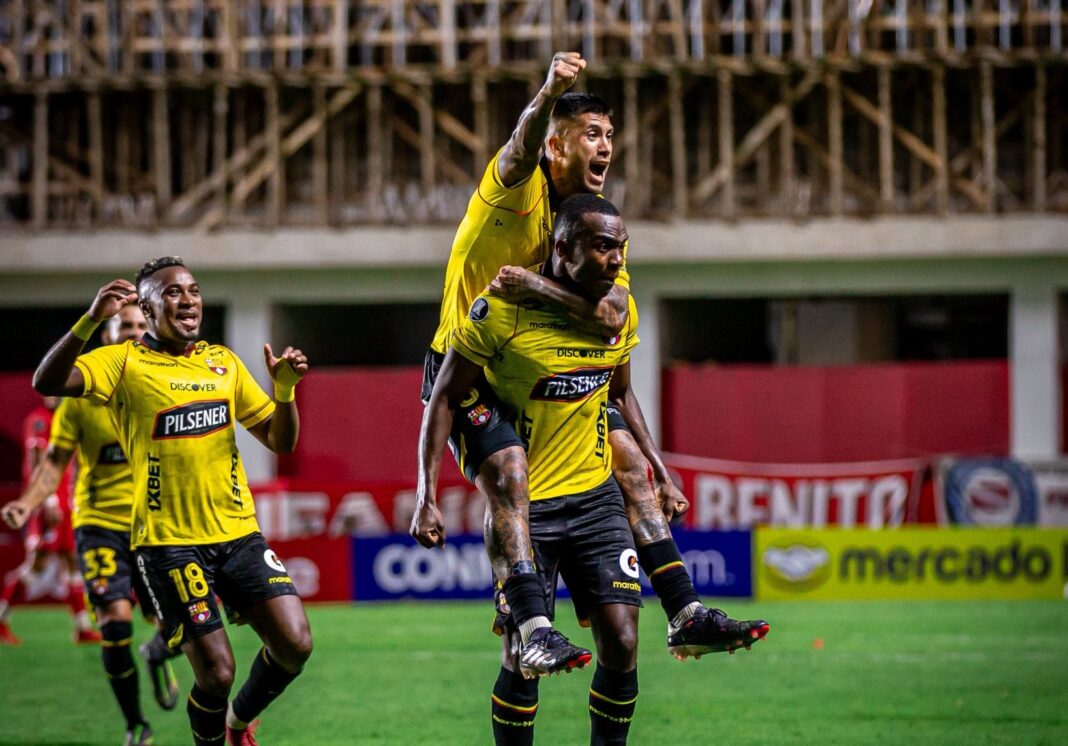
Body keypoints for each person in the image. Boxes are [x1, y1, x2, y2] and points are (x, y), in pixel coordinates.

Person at [413, 51, 768, 661]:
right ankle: (529, 621)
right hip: (471, 367)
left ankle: (684, 610)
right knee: (510, 472)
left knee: (629, 461)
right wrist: (549, 91)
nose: (606, 147)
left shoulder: (596, 227)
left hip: (547, 359)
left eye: (610, 136)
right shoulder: (516, 189)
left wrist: (533, 286)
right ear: (556, 144)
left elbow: (610, 316)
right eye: (592, 134)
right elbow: (522, 143)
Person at [31, 257, 313, 746]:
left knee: (295, 644)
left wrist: (284, 391)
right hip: (169, 545)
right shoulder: (122, 361)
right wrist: (91, 319)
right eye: (173, 293)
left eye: (193, 290)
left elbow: (279, 441)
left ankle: (237, 723)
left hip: (238, 534)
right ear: (146, 308)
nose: (188, 301)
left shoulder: (222, 361)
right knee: (217, 674)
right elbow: (47, 381)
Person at [421, 195, 656, 744]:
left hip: (595, 499)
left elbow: (621, 393)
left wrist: (658, 470)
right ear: (563, 248)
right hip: (529, 510)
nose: (617, 260)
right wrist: (425, 494)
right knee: (522, 655)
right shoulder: (500, 309)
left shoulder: (618, 311)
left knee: (623, 640)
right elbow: (443, 396)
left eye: (622, 248)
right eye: (604, 247)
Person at [3, 304, 180, 746]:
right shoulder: (80, 399)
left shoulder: (169, 387)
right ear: (108, 336)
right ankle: (136, 724)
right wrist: (27, 503)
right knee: (115, 625)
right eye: (125, 326)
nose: (134, 333)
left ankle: (158, 653)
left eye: (141, 326)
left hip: (155, 525)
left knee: (180, 628)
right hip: (99, 523)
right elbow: (54, 462)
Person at [0, 395, 101, 646]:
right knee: (38, 563)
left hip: (68, 505)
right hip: (47, 505)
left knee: (73, 561)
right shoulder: (39, 420)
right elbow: (39, 464)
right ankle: (1, 618)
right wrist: (49, 502)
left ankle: (82, 628)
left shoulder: (67, 417)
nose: (54, 396)